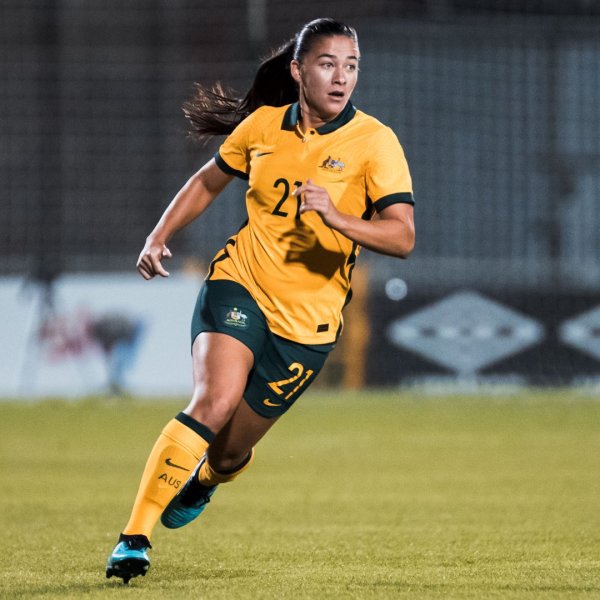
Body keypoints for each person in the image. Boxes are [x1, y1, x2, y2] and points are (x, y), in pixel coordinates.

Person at [105, 17, 415, 584]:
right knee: (214, 400)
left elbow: (402, 236)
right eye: (327, 64)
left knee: (226, 453)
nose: (341, 77)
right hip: (241, 282)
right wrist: (158, 235)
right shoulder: (263, 127)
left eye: (351, 66)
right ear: (298, 70)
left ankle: (204, 481)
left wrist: (338, 217)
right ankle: (134, 539)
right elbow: (207, 180)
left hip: (307, 327)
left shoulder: (376, 142)